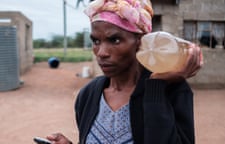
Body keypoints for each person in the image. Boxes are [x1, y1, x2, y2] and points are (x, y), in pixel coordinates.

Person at [46, 0, 203, 143]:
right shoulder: (88, 94)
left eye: (114, 40)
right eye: (96, 41)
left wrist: (156, 87)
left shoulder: (172, 91)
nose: (101, 52)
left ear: (142, 42)